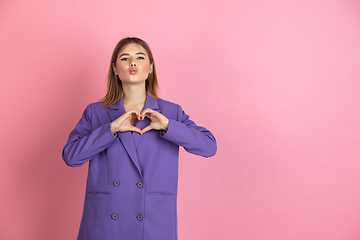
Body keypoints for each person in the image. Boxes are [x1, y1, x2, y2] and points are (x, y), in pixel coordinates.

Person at [62, 37, 217, 240]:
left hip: (153, 221)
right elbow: (71, 157)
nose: (132, 63)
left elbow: (208, 146)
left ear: (150, 67)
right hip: (105, 224)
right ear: (115, 69)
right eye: (125, 58)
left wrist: (168, 126)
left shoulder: (171, 112)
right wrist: (110, 129)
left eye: (140, 57)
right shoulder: (96, 113)